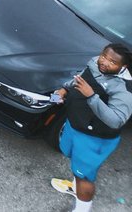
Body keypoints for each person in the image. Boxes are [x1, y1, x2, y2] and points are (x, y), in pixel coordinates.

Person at [49, 43, 132, 212]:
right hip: (76, 125)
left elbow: (116, 120)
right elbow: (82, 76)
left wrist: (91, 96)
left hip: (94, 139)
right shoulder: (96, 62)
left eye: (112, 62)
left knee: (85, 177)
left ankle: (82, 209)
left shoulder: (125, 89)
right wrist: (65, 88)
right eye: (104, 56)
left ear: (123, 67)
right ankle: (74, 188)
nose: (104, 62)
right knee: (74, 162)